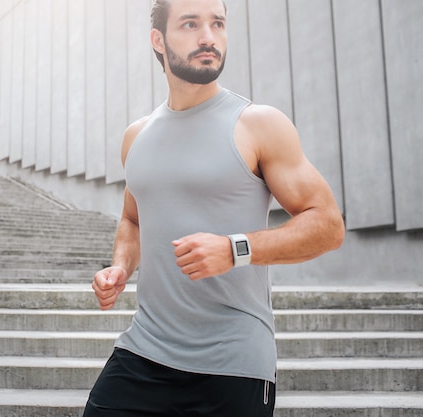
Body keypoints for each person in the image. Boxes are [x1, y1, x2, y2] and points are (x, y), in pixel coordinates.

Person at [83, 0, 345, 416]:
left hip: (233, 366)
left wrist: (235, 249)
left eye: (217, 24)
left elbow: (328, 225)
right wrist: (120, 266)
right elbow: (133, 219)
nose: (208, 37)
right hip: (143, 353)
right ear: (158, 40)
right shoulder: (137, 136)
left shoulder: (258, 124)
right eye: (190, 24)